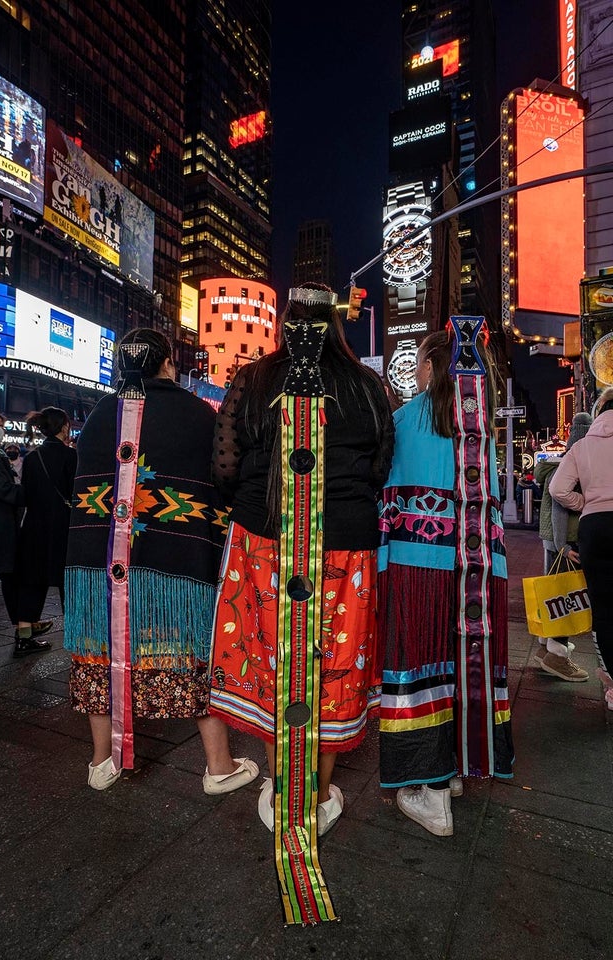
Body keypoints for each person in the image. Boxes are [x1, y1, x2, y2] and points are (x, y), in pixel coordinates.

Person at [210, 286, 392, 924]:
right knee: (333, 660)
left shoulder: (253, 380)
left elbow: (226, 466)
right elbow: (379, 467)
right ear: (337, 326)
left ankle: (279, 786)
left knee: (270, 655)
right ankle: (312, 796)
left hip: (265, 541)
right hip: (347, 546)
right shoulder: (369, 387)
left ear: (287, 327)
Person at [67, 331, 257, 798]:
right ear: (168, 364)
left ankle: (101, 761)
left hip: (97, 563)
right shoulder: (198, 416)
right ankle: (218, 765)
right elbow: (224, 480)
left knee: (99, 648)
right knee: (195, 651)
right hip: (181, 560)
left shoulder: (98, 417)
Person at [378, 324, 513, 838]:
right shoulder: (480, 431)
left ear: (433, 368)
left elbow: (385, 502)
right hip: (479, 574)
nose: (414, 375)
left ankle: (432, 793)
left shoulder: (403, 420)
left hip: (418, 568)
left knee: (419, 672)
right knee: (464, 669)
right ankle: (452, 771)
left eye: (418, 365)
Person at [550, 387, 613, 711]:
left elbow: (558, 489)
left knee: (602, 608)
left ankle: (612, 685)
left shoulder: (582, 445)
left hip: (595, 527)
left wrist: (585, 502)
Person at [0, 408, 47, 655]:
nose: (1, 430)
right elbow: (1, 488)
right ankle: (24, 631)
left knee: (12, 577)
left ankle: (25, 629)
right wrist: (32, 494)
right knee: (13, 577)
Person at [533, 414, 592, 681]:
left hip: (555, 540)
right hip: (565, 541)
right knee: (565, 598)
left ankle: (548, 646)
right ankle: (557, 654)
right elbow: (559, 507)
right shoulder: (573, 463)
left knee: (555, 592)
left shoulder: (557, 463)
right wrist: (563, 545)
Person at [14, 408, 75, 643]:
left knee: (32, 580)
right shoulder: (71, 457)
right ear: (64, 427)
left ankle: (24, 635)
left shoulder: (31, 458)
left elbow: (25, 494)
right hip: (63, 525)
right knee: (67, 581)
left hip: (33, 526)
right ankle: (76, 635)